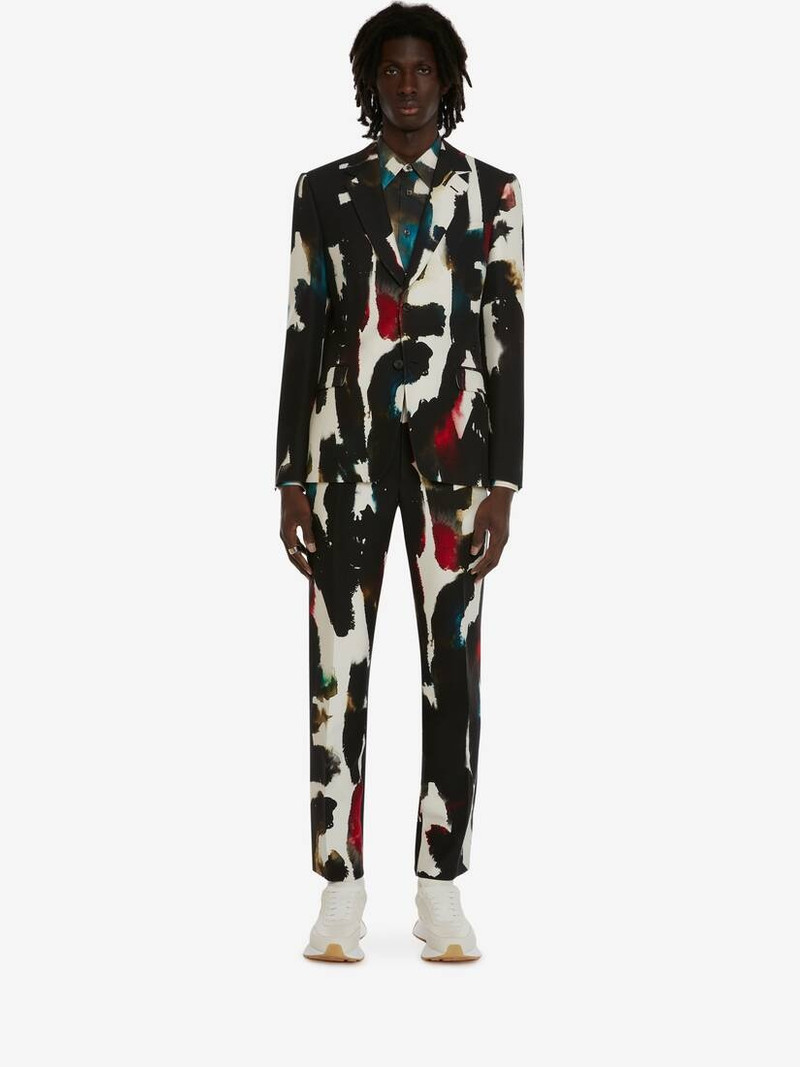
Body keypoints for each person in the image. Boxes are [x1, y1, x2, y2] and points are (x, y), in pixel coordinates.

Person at [274, 1, 524, 963]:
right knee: (336, 663)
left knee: (451, 665)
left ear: (447, 82)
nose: (407, 85)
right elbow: (302, 331)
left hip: (458, 468)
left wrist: (505, 482)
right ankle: (339, 886)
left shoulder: (492, 194)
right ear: (369, 82)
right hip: (341, 462)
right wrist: (289, 476)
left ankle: (439, 883)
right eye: (391, 70)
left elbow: (505, 342)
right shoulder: (323, 191)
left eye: (423, 70)